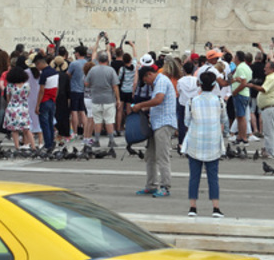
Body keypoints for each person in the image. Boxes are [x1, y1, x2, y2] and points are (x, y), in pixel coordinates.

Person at [181, 70, 227, 218]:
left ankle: (192, 207)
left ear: (199, 84)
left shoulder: (192, 101)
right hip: (213, 142)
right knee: (213, 176)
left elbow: (186, 122)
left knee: (194, 176)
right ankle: (216, 207)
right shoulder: (219, 101)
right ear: (214, 86)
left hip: (195, 141)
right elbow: (224, 120)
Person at [129, 64, 177, 198]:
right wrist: (144, 109)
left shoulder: (161, 81)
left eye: (145, 80)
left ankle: (165, 186)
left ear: (149, 74)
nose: (146, 83)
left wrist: (140, 105)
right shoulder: (158, 83)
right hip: (157, 124)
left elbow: (158, 99)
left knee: (162, 156)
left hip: (164, 123)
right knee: (150, 156)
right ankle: (151, 185)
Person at [248, 60, 274, 158]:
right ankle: (268, 150)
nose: (264, 69)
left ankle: (270, 153)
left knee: (269, 132)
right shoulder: (272, 77)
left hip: (270, 108)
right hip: (270, 108)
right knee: (268, 131)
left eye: (266, 68)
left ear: (271, 69)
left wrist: (253, 86)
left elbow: (264, 89)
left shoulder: (271, 78)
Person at [84, 51, 119, 146]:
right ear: (107, 60)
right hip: (109, 99)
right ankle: (111, 141)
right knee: (109, 120)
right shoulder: (111, 70)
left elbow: (86, 83)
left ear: (98, 60)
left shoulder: (92, 70)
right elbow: (115, 86)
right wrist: (118, 99)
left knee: (97, 121)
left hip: (96, 98)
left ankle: (96, 140)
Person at [2, 66, 35, 150]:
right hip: (23, 107)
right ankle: (33, 146)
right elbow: (27, 96)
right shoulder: (27, 85)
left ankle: (17, 147)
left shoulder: (10, 86)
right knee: (26, 129)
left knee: (14, 130)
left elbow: (8, 98)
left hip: (13, 107)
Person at [34, 54, 59, 151]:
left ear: (39, 63)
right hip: (52, 100)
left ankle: (48, 144)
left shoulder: (44, 74)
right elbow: (57, 87)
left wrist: (37, 105)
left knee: (44, 124)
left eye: (37, 65)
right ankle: (51, 142)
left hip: (44, 100)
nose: (37, 68)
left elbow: (41, 90)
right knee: (50, 122)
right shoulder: (54, 72)